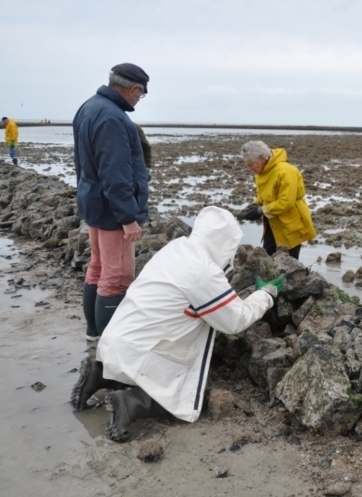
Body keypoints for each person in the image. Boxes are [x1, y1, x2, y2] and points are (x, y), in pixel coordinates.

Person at [70, 206, 286, 442]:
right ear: (224, 244)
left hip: (117, 340)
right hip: (142, 348)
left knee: (140, 362)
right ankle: (129, 404)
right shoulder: (202, 270)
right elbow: (235, 320)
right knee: (190, 392)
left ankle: (98, 373)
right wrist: (267, 294)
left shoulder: (176, 248)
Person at [73, 63, 151, 341]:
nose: (138, 101)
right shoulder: (113, 118)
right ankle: (110, 343)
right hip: (111, 211)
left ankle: (94, 333)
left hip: (93, 203)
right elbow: (114, 173)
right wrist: (128, 217)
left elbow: (84, 164)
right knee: (116, 277)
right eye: (140, 96)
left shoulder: (89, 107)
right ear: (133, 89)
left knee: (98, 267)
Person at [238, 140, 316, 260]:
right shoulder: (262, 172)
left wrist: (261, 211)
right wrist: (254, 205)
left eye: (251, 164)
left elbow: (286, 202)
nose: (249, 169)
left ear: (262, 158)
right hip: (272, 223)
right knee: (268, 260)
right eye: (247, 165)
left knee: (289, 263)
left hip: (291, 224)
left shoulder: (285, 171)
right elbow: (264, 195)